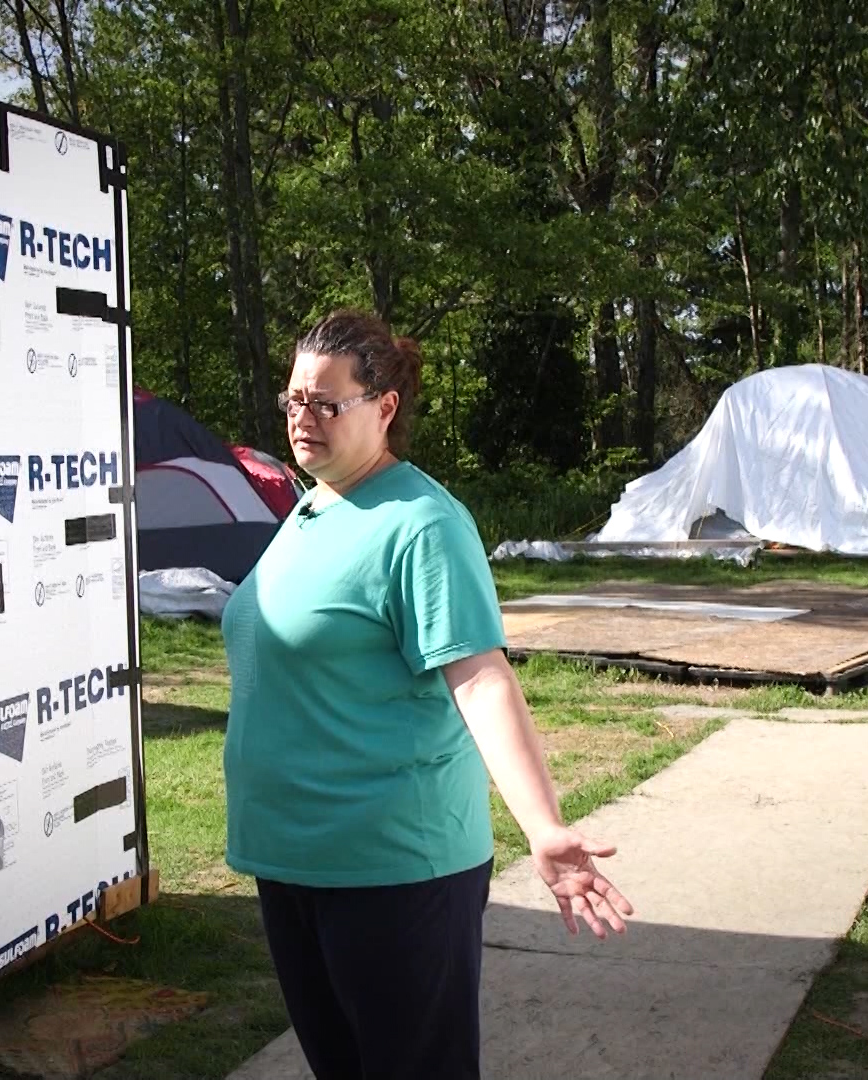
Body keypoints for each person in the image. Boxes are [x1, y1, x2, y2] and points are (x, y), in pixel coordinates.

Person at [220, 309, 633, 1080]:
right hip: (295, 860)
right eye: (292, 400)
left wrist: (542, 827)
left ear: (384, 408)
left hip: (393, 872)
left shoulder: (421, 524)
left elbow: (479, 678)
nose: (301, 419)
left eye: (325, 403)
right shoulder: (315, 505)